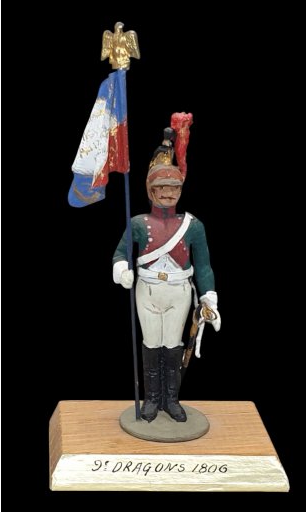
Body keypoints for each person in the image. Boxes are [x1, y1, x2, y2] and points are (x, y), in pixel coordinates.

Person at [112, 113, 221, 423]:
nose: (167, 193)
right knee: (151, 344)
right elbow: (120, 252)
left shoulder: (193, 225)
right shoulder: (138, 223)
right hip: (147, 289)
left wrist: (209, 296)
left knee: (173, 345)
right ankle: (151, 400)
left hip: (179, 290)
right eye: (161, 187)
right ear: (150, 189)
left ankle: (171, 400)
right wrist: (122, 270)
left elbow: (204, 266)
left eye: (173, 187)